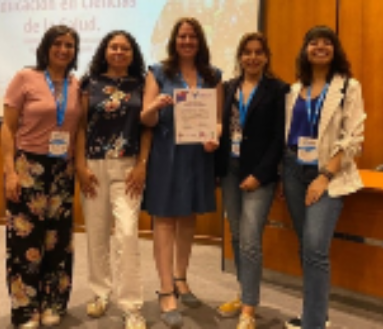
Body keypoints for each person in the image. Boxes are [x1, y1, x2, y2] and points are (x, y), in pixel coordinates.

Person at [140, 17, 223, 328]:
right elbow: (145, 119)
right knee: (164, 219)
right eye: (182, 36)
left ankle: (181, 278)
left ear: (199, 41)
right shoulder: (159, 72)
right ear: (174, 40)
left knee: (188, 217)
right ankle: (165, 290)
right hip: (166, 154)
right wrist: (156, 107)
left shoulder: (212, 75)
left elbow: (216, 120)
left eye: (192, 37)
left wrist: (215, 135)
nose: (187, 41)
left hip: (197, 155)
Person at [282, 25, 366, 329]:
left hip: (328, 174)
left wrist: (325, 176)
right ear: (305, 50)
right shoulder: (295, 90)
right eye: (313, 43)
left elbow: (354, 139)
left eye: (326, 43)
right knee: (306, 246)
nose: (320, 47)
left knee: (316, 246)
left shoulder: (348, 87)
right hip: (293, 170)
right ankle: (315, 314)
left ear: (335, 49)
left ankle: (313, 323)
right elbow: (288, 134)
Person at [1, 25, 81, 328]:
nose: (63, 49)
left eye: (70, 45)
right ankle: (25, 308)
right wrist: (9, 172)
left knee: (58, 240)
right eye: (58, 44)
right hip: (28, 167)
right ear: (46, 47)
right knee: (25, 238)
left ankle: (53, 302)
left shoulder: (76, 85)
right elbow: (7, 127)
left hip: (62, 168)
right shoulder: (25, 78)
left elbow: (80, 129)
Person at [75, 30, 151, 329]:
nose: (119, 52)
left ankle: (132, 307)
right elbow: (80, 126)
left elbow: (147, 128)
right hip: (93, 166)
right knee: (96, 232)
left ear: (133, 54)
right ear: (104, 51)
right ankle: (100, 293)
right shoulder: (88, 83)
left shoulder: (142, 84)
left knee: (128, 234)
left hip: (128, 167)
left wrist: (143, 164)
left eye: (125, 48)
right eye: (113, 47)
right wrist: (80, 165)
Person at [214, 32, 288, 329]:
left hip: (260, 175)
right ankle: (243, 292)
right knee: (235, 236)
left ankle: (249, 308)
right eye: (247, 52)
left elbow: (278, 139)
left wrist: (261, 174)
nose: (253, 57)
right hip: (230, 170)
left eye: (258, 52)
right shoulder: (228, 87)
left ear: (266, 56)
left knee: (250, 239)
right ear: (240, 56)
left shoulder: (278, 90)